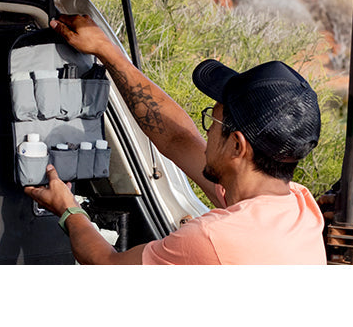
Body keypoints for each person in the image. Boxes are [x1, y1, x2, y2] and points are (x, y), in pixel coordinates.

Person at [24, 14, 327, 264]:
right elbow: (178, 139)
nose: (206, 131)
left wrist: (68, 210)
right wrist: (106, 50)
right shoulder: (299, 208)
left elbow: (106, 264)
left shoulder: (212, 238)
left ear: (237, 145)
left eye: (212, 120)